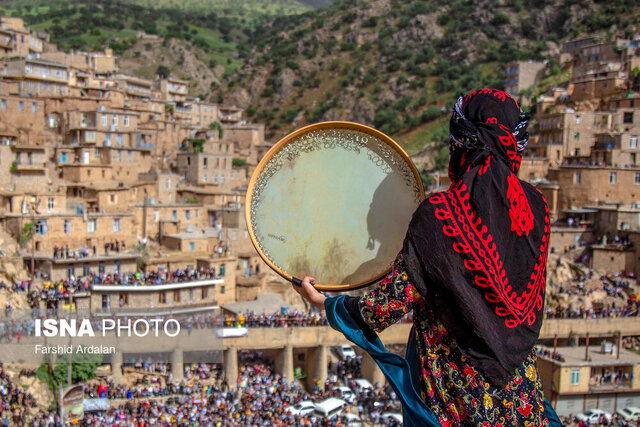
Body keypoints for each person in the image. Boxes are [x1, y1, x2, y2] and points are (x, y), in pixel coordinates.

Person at [292, 89, 563, 426]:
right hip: (520, 397)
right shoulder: (537, 208)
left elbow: (385, 306)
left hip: (457, 398)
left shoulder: (441, 216)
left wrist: (325, 302)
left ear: (461, 143)